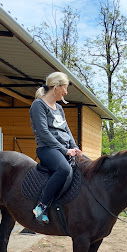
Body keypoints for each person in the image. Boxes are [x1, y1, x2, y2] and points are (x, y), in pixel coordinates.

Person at [29, 71, 82, 223]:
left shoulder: (59, 108)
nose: (66, 92)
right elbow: (44, 133)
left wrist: (75, 147)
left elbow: (67, 130)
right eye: (65, 88)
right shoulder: (38, 105)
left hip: (63, 148)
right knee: (64, 169)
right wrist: (65, 150)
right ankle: (41, 205)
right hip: (47, 149)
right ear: (55, 87)